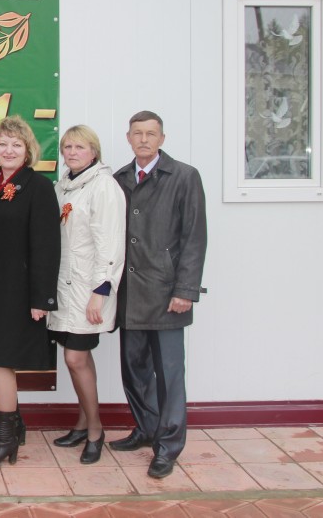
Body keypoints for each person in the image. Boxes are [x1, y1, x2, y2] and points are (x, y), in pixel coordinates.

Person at [110, 110, 207, 479]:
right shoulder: (120, 179)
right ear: (129, 138)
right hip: (130, 294)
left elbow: (194, 238)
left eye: (151, 134)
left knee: (168, 375)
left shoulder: (183, 176)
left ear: (162, 139)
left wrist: (186, 290)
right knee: (133, 368)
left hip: (167, 293)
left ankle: (168, 446)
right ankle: (146, 428)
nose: (144, 140)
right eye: (138, 133)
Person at [0, 116, 60, 469]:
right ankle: (16, 426)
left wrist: (42, 298)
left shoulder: (39, 187)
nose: (9, 150)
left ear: (28, 150)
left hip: (18, 294)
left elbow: (47, 246)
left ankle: (5, 437)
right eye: (3, 144)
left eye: (16, 145)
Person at [47, 125, 126, 465]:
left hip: (89, 289)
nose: (72, 152)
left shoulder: (103, 186)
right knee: (77, 357)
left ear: (94, 152)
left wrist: (101, 290)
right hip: (66, 287)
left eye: (80, 147)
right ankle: (82, 423)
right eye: (67, 147)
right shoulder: (63, 186)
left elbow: (110, 242)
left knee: (75, 358)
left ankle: (95, 430)